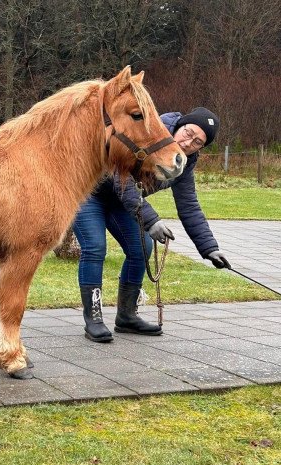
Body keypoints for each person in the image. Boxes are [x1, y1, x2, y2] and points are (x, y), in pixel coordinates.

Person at [73, 107, 231, 342]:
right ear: (180, 126)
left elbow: (189, 206)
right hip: (89, 193)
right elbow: (121, 181)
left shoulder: (184, 163)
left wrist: (209, 248)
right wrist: (152, 220)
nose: (188, 142)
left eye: (197, 142)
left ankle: (126, 316)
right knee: (95, 247)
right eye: (188, 133)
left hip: (122, 204)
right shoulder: (147, 134)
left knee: (142, 248)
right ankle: (93, 318)